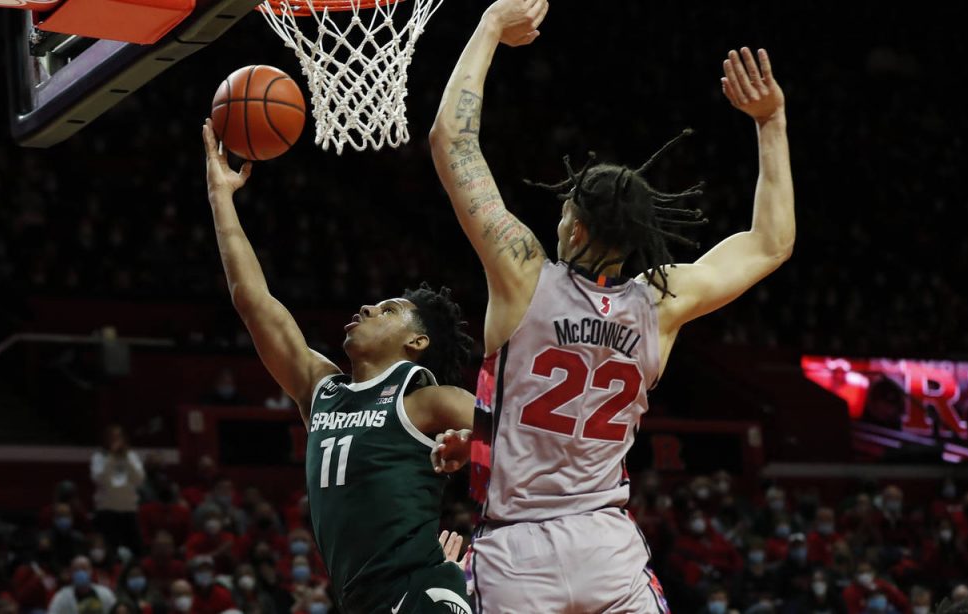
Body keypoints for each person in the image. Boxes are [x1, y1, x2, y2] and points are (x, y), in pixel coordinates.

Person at [429, 0, 793, 610]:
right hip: (606, 546)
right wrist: (771, 121)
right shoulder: (662, 301)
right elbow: (771, 242)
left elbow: (453, 141)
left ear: (575, 228)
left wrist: (490, 24)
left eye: (564, 212)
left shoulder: (523, 276)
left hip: (516, 552)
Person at [201, 119, 477, 613]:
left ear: (417, 341)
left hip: (418, 593)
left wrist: (475, 443)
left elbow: (525, 440)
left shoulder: (426, 400)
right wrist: (221, 196)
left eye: (389, 310)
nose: (368, 308)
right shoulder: (321, 390)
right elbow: (253, 301)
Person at [90, 425, 145, 556]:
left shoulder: (131, 456)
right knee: (109, 552)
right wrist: (111, 457)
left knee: (137, 551)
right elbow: (101, 479)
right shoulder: (99, 457)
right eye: (112, 437)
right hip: (107, 510)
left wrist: (126, 459)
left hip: (128, 510)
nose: (115, 440)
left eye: (118, 437)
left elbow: (139, 479)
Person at [47, 556, 117, 614]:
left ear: (91, 571)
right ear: (71, 572)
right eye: (76, 569)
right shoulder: (62, 596)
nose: (80, 572)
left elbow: (116, 610)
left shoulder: (105, 593)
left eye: (84, 568)